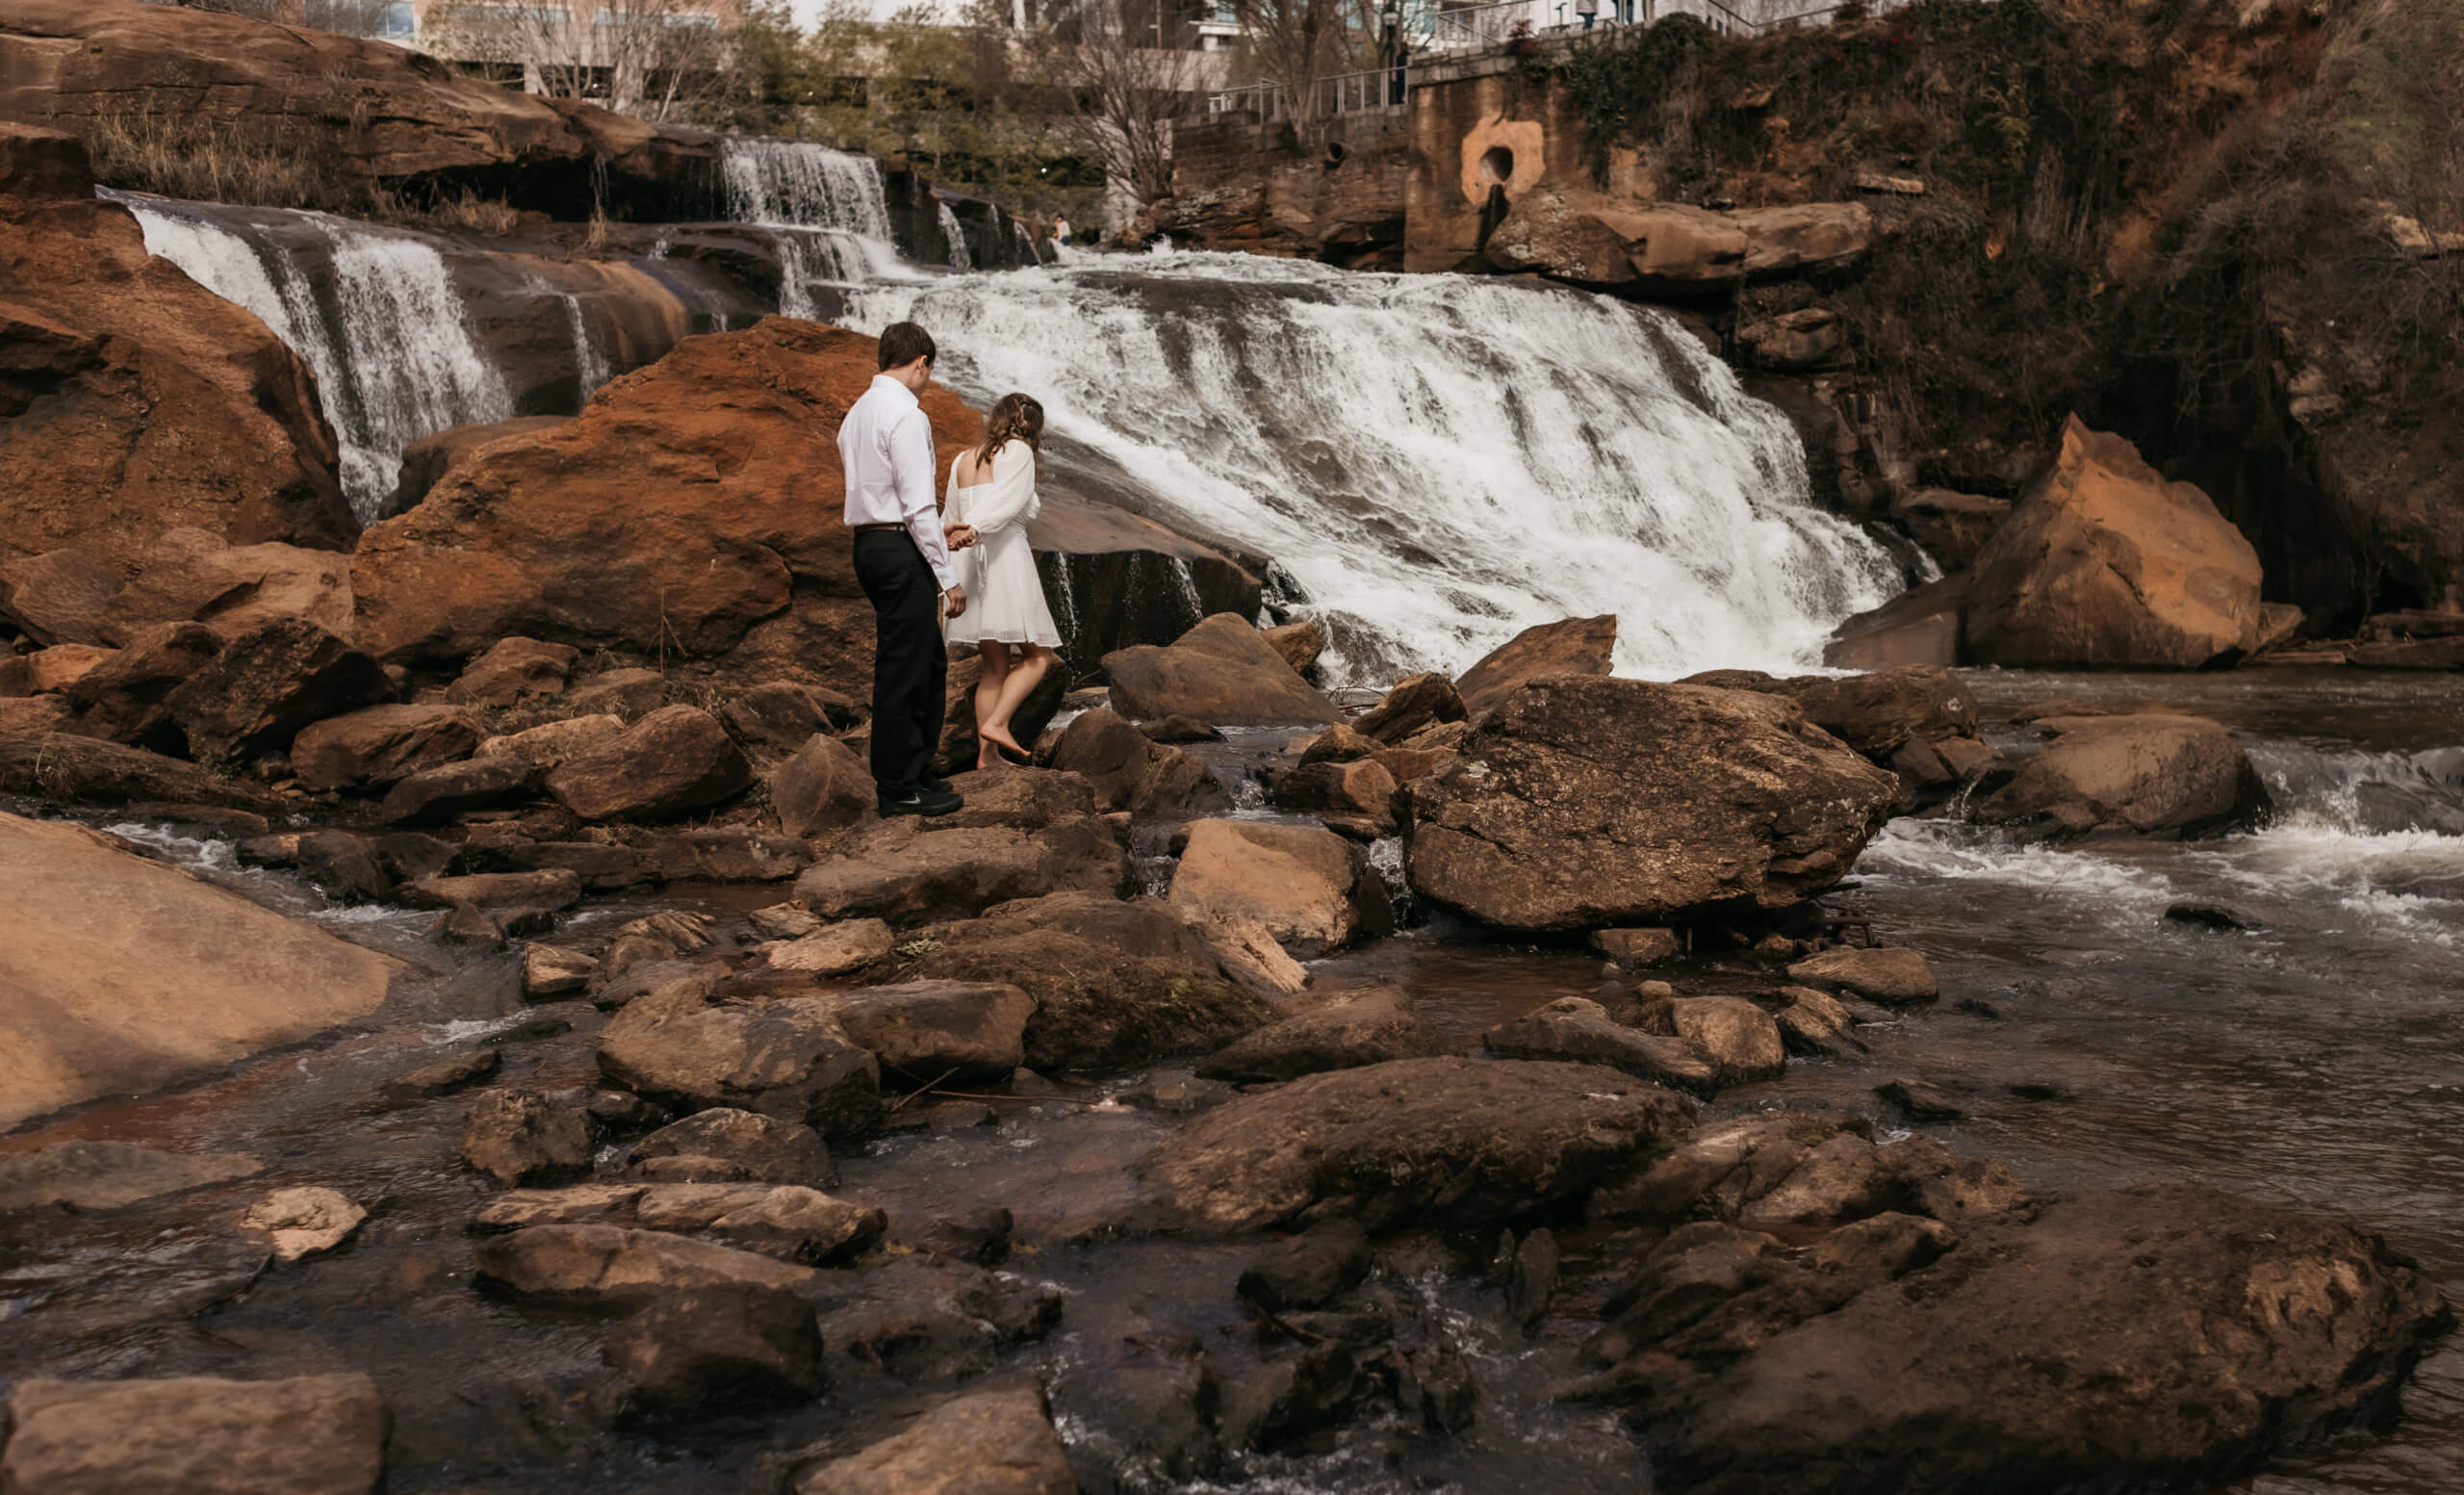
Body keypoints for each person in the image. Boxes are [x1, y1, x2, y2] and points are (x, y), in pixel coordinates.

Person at [837, 321, 979, 817]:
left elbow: (882, 499)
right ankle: (897, 788)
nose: (928, 379)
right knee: (905, 667)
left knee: (924, 661)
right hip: (899, 552)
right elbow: (916, 506)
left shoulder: (857, 413)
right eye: (930, 371)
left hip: (872, 547)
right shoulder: (905, 414)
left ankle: (916, 771)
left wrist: (937, 536)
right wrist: (948, 577)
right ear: (921, 362)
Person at [943, 394, 1062, 769]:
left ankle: (987, 757)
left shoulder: (962, 460)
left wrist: (954, 551)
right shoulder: (1020, 453)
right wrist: (976, 529)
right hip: (1005, 562)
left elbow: (951, 517)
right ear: (1034, 427)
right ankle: (997, 723)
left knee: (993, 668)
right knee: (1038, 657)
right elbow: (1007, 501)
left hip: (970, 567)